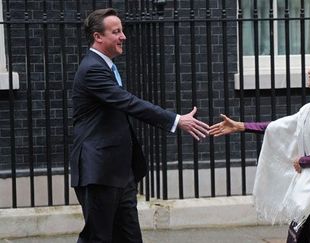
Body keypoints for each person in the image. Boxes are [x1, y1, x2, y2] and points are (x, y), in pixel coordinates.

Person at [70, 8, 209, 243]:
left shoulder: (106, 67)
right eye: (116, 32)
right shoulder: (92, 69)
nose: (123, 36)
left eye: (122, 30)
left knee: (130, 237)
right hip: (99, 171)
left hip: (120, 172)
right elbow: (129, 103)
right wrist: (176, 120)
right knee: (98, 237)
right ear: (98, 36)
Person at [210, 49, 310, 243]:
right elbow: (280, 126)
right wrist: (241, 126)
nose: (309, 71)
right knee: (297, 237)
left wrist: (302, 161)